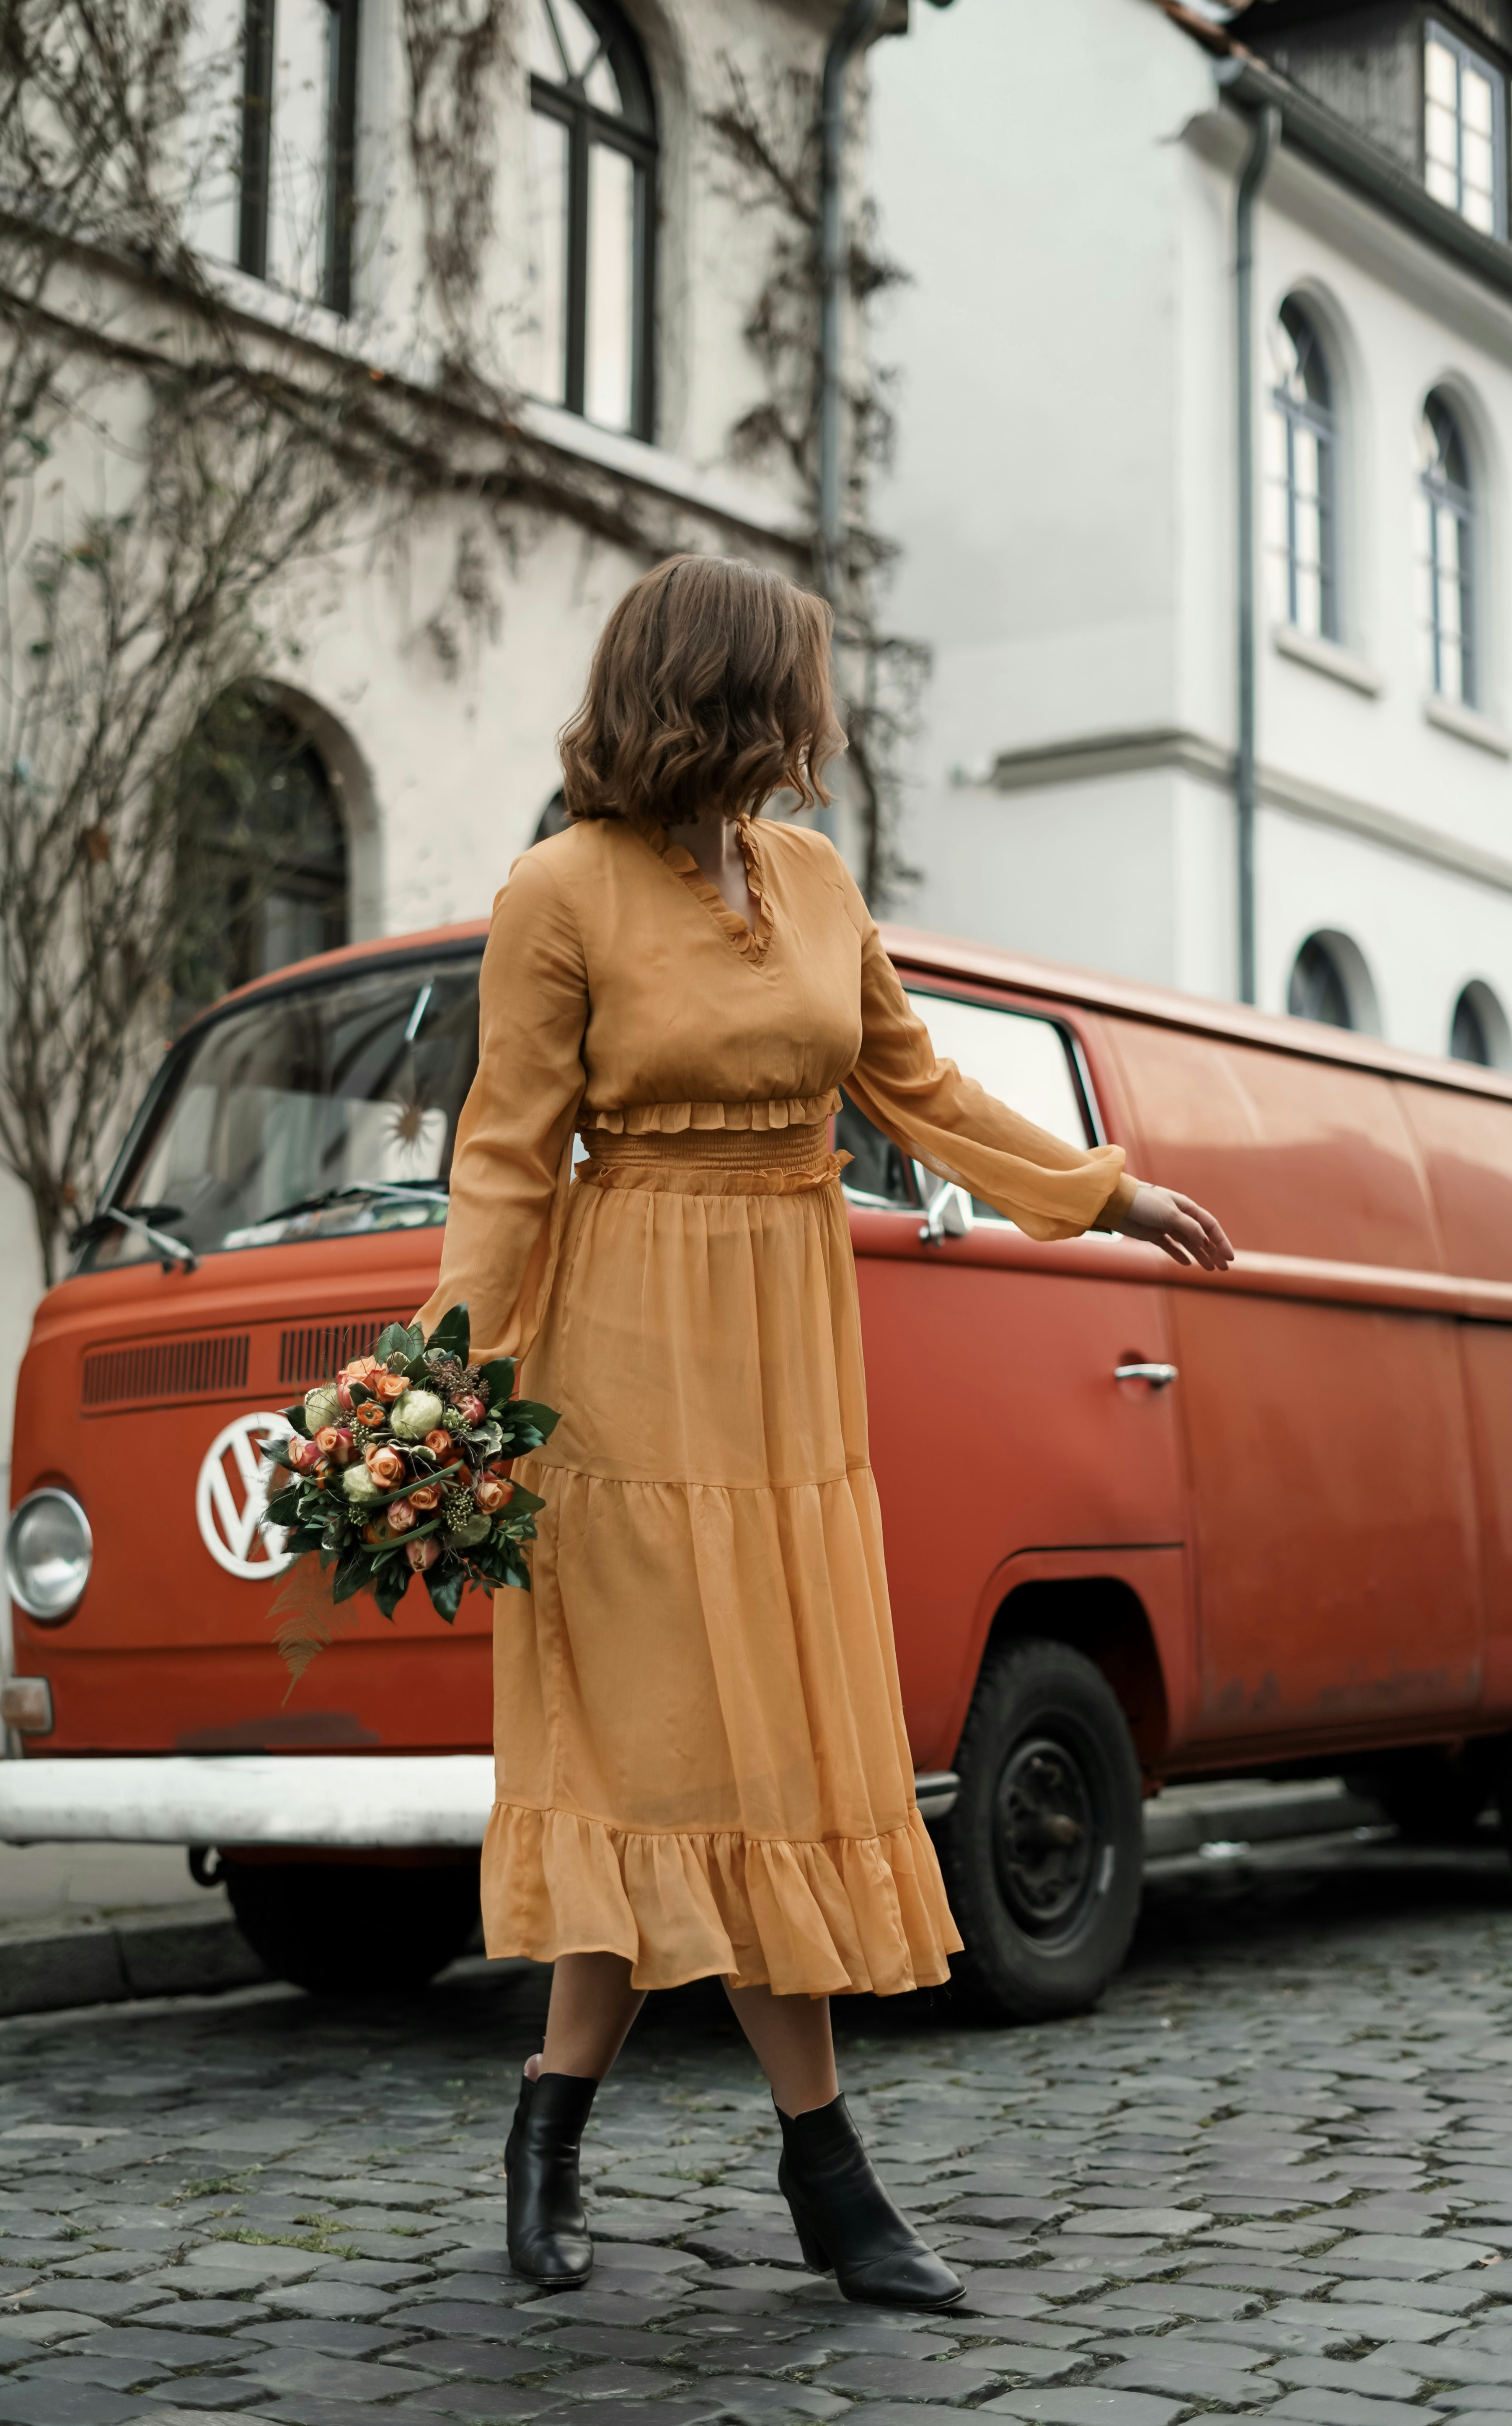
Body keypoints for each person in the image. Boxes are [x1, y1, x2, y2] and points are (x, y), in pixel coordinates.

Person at [414, 553, 1234, 2313]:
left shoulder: (813, 875)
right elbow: (504, 1160)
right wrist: (441, 1387)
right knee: (674, 1762)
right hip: (626, 1358)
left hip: (786, 1351)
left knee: (756, 1756)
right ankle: (823, 2176)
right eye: (800, 677)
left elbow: (916, 1083)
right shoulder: (556, 892)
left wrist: (1105, 1189)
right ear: (724, 690)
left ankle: (563, 2121)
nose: (823, 709)